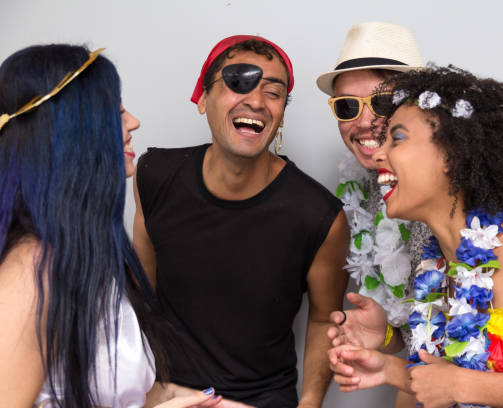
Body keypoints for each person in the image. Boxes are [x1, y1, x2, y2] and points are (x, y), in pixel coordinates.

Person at [328, 65, 503, 407]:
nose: (378, 154)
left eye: (398, 138)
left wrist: (468, 387)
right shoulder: (433, 267)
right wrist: (388, 368)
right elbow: (439, 384)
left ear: (453, 154)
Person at [0, 44, 253, 408]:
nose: (133, 121)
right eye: (115, 111)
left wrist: (208, 401)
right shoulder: (31, 270)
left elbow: (131, 395)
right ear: (72, 133)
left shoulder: (90, 258)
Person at [133, 35, 349, 408]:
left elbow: (321, 321)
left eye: (274, 92)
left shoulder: (319, 216)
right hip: (165, 395)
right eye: (238, 82)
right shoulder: (154, 176)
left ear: (282, 112)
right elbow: (141, 296)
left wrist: (310, 403)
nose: (255, 101)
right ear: (202, 98)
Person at [317, 22, 430, 406]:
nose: (365, 121)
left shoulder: (466, 202)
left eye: (383, 102)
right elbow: (421, 333)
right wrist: (382, 334)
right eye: (348, 106)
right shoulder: (368, 193)